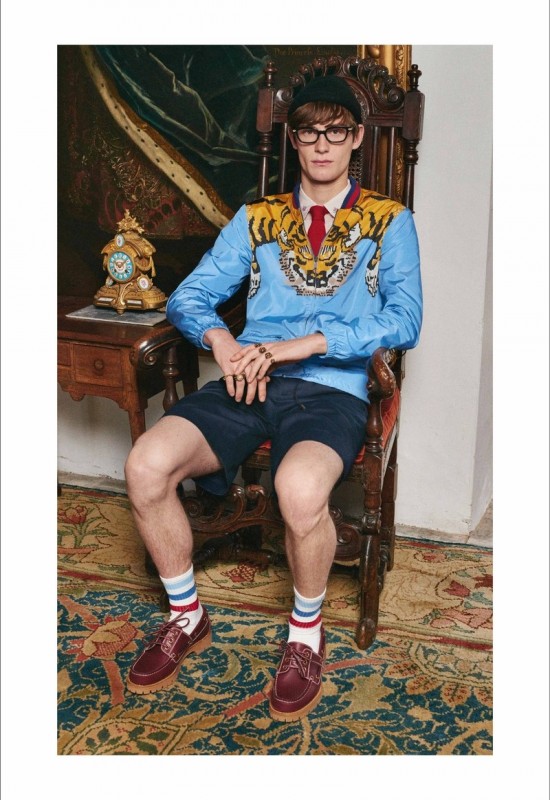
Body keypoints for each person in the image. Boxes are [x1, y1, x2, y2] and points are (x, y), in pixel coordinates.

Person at [123, 75, 423, 722]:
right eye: (310, 132)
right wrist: (223, 345)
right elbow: (190, 297)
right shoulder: (256, 219)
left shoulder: (390, 221)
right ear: (294, 139)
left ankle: (305, 636)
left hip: (331, 389)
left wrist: (305, 344)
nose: (323, 144)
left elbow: (405, 321)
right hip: (248, 381)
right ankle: (186, 615)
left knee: (299, 490)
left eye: (336, 131)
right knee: (145, 465)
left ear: (357, 138)